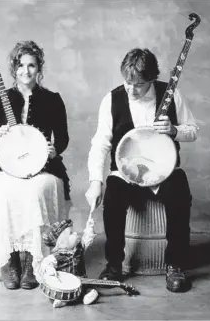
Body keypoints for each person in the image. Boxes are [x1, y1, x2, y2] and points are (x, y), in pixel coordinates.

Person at [85, 47, 198, 293]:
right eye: (128, 83)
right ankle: (113, 264)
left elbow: (193, 131)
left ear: (152, 79)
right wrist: (96, 181)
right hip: (126, 173)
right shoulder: (111, 99)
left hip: (164, 172)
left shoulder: (170, 94)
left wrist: (175, 130)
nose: (132, 90)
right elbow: (100, 144)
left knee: (180, 191)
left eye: (139, 84)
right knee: (113, 196)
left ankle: (175, 264)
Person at [0, 40, 71, 290]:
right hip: (7, 164)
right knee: (1, 191)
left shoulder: (53, 99)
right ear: (13, 68)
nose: (26, 71)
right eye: (21, 65)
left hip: (43, 164)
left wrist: (54, 151)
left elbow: (62, 139)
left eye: (31, 65)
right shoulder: (0, 99)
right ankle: (12, 261)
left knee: (34, 191)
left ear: (39, 68)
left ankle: (32, 261)